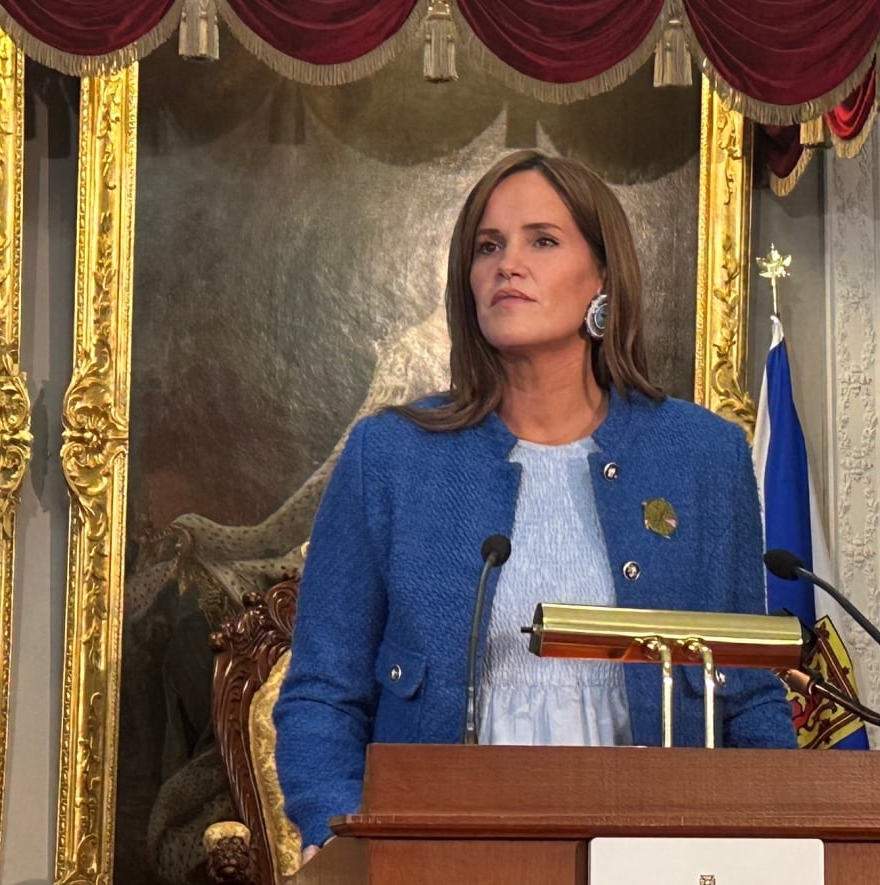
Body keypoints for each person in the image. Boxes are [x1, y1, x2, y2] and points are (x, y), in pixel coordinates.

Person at [273, 149, 796, 855]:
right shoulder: (389, 458)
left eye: (541, 241)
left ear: (604, 277)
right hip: (442, 855)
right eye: (487, 247)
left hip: (656, 851)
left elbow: (750, 693)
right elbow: (322, 696)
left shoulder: (704, 456)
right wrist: (339, 834)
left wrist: (783, 843)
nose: (505, 264)